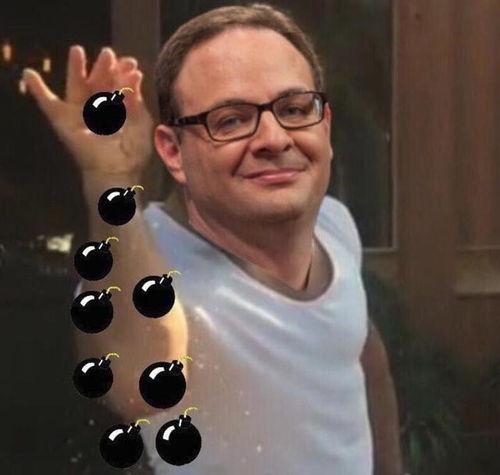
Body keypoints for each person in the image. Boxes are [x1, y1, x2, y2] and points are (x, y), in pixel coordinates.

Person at [23, 3, 402, 474]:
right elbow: (135, 386)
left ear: (323, 125)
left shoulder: (334, 224)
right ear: (173, 152)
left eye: (293, 109)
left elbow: (361, 352)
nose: (274, 138)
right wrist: (110, 179)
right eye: (231, 120)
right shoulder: (139, 257)